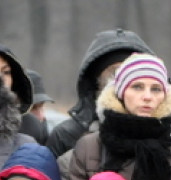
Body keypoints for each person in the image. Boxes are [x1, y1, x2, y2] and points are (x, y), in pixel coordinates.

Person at [65, 53, 171, 180]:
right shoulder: (90, 146)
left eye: (156, 89)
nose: (147, 97)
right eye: (137, 86)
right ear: (121, 92)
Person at [47, 28, 153, 157]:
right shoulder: (67, 135)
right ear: (97, 79)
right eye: (116, 72)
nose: (125, 79)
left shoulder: (170, 131)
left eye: (133, 73)